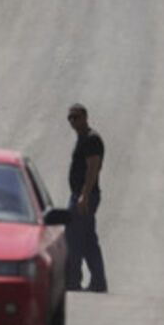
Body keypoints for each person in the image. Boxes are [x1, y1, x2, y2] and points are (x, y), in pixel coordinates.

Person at [66, 103, 107, 292]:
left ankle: (73, 280)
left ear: (85, 117)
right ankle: (98, 281)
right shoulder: (83, 138)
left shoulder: (91, 139)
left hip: (85, 196)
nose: (73, 121)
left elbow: (93, 169)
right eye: (70, 118)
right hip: (81, 195)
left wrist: (84, 195)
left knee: (74, 238)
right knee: (88, 239)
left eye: (76, 117)